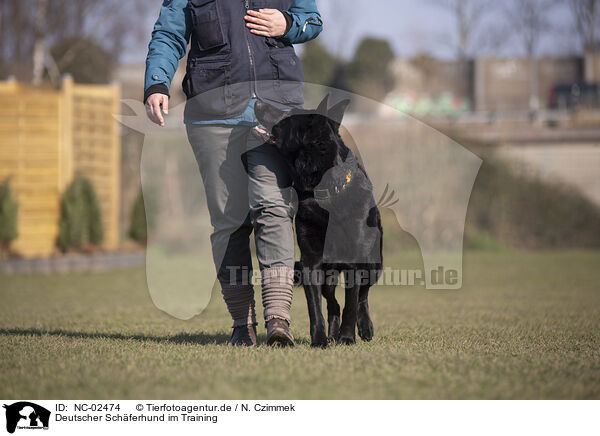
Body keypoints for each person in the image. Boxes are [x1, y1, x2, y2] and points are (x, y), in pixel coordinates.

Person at [144, 0, 322, 346]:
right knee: (229, 221)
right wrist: (157, 83)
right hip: (212, 113)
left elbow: (311, 20)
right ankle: (242, 324)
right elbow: (168, 33)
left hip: (276, 111)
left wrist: (287, 23)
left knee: (274, 209)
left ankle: (278, 321)